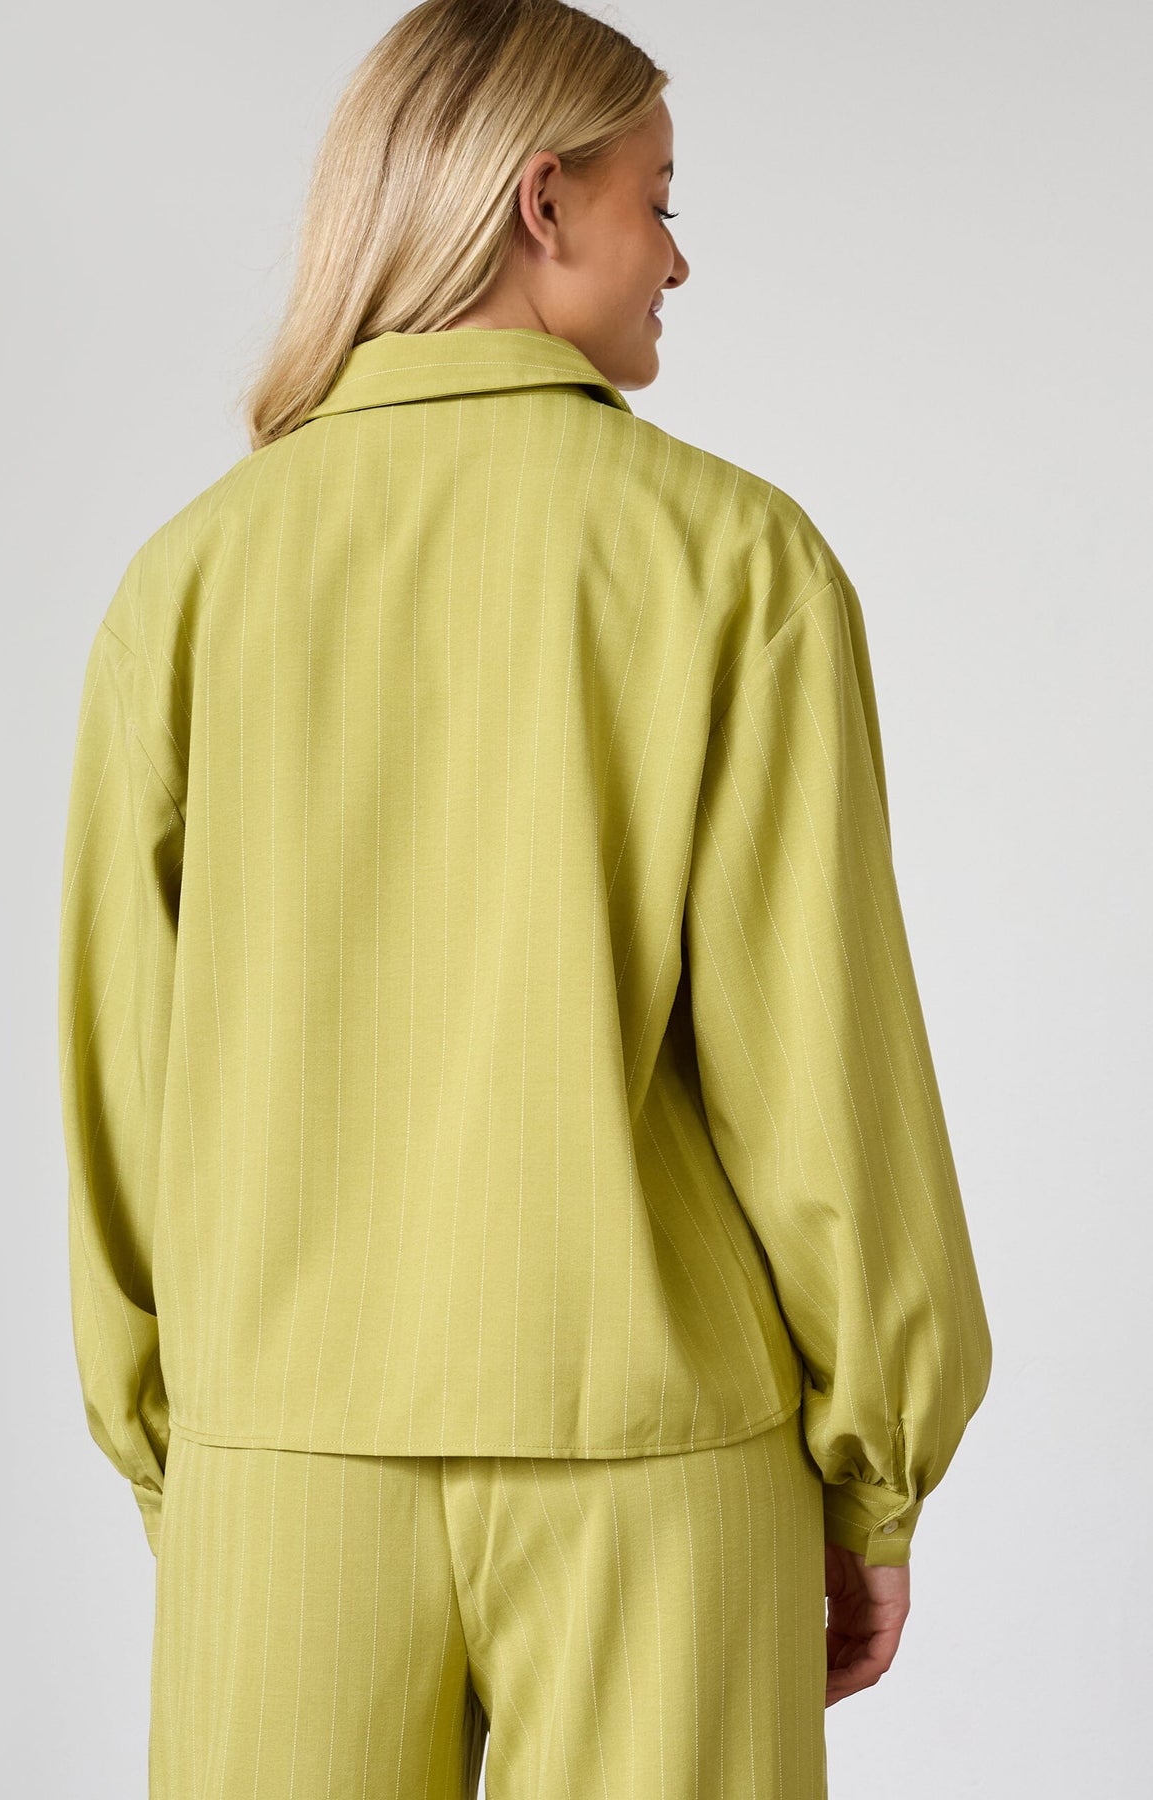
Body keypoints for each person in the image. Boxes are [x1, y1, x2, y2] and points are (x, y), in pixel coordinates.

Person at [57, 1, 993, 1793]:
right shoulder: (734, 561)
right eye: (659, 199)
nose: (680, 258)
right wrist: (874, 1476)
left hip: (285, 1461)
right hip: (658, 1455)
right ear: (542, 202)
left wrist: (190, 1451)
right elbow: (821, 1071)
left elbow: (126, 1082)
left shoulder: (188, 583)